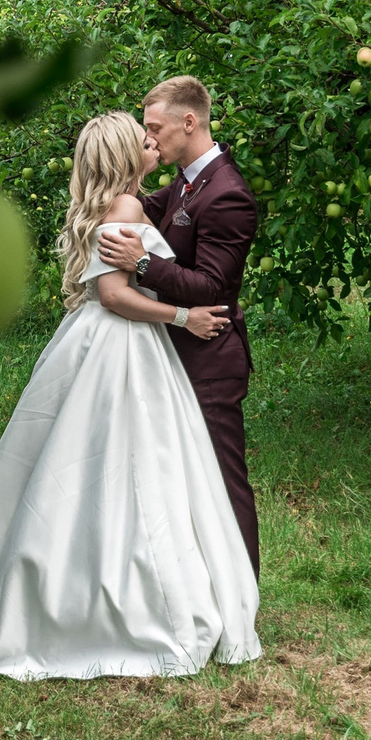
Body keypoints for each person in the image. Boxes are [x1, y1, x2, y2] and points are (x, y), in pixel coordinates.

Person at [0, 111, 261, 679]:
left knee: (106, 460)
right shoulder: (125, 207)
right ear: (124, 156)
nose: (153, 143)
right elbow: (114, 294)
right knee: (122, 460)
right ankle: (110, 594)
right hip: (120, 342)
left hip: (103, 341)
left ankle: (102, 576)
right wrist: (184, 316)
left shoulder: (127, 201)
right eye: (144, 139)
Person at [97, 75, 261, 572]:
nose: (149, 139)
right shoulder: (186, 183)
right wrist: (125, 172)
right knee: (183, 479)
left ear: (189, 122)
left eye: (154, 129)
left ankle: (243, 589)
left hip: (210, 356)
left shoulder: (227, 194)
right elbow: (129, 209)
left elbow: (212, 286)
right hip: (174, 351)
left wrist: (143, 263)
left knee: (223, 478)